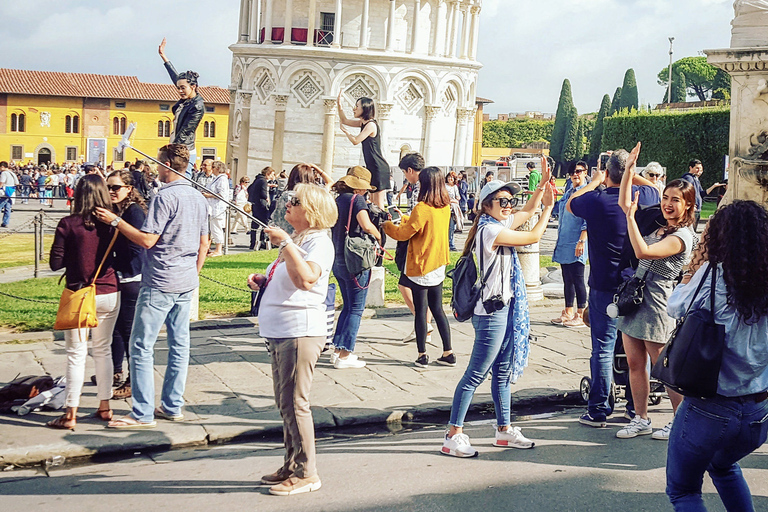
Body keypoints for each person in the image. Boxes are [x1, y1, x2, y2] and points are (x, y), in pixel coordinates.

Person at [94, 143, 209, 429]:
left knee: (141, 346)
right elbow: (204, 243)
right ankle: (172, 406)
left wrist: (116, 220)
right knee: (179, 345)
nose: (156, 167)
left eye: (159, 163)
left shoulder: (164, 197)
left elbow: (147, 240)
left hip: (160, 281)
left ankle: (142, 413)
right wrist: (192, 273)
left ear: (168, 163)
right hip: (185, 280)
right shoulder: (198, 197)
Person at [441, 170, 555, 457]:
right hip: (491, 312)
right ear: (486, 205)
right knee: (475, 374)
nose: (508, 206)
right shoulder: (490, 230)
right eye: (502, 201)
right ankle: (453, 434)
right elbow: (533, 235)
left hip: (503, 308)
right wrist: (550, 209)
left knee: (502, 374)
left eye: (510, 200)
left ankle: (504, 431)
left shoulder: (497, 222)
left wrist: (541, 187)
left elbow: (528, 211)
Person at [664, 200, 768, 511]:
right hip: (758, 409)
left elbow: (674, 307)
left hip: (711, 405)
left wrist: (690, 272)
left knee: (683, 491)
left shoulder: (713, 276)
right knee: (723, 466)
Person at [247, 183, 337, 496]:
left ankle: (307, 473)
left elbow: (307, 279)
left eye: (294, 201)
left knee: (296, 404)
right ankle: (291, 463)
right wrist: (264, 281)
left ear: (310, 211)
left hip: (299, 332)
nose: (287, 203)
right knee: (285, 404)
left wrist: (285, 243)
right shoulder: (301, 239)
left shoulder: (318, 243)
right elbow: (289, 278)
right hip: (282, 330)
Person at [567, 144, 660, 428]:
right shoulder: (643, 194)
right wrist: (632, 170)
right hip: (635, 282)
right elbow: (655, 189)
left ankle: (598, 409)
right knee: (636, 350)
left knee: (603, 347)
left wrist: (597, 179)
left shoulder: (596, 199)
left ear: (607, 172)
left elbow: (571, 202)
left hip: (604, 284)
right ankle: (635, 406)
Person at [615, 144, 695, 440]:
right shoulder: (660, 226)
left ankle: (680, 420)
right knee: (635, 362)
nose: (668, 204)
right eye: (665, 197)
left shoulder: (682, 237)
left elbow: (643, 250)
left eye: (676, 200)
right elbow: (625, 202)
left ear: (688, 205)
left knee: (664, 367)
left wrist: (630, 219)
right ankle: (641, 417)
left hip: (658, 301)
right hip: (636, 297)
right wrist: (628, 170)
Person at [46, 175, 120, 429]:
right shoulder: (112, 225)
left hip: (79, 293)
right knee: (104, 349)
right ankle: (105, 406)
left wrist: (74, 256)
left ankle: (71, 413)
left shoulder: (68, 224)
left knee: (76, 355)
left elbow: (55, 263)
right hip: (109, 291)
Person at [383, 167, 454, 368]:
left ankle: (422, 354)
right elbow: (421, 226)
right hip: (438, 263)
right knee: (438, 309)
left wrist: (387, 226)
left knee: (421, 311)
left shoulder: (422, 207)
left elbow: (404, 234)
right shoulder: (444, 206)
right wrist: (405, 217)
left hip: (421, 264)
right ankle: (448, 352)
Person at [329, 167, 381, 369]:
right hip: (355, 259)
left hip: (338, 257)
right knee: (356, 309)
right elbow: (366, 225)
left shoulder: (338, 199)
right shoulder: (356, 200)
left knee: (348, 306)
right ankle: (345, 355)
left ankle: (337, 349)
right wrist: (378, 235)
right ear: (360, 187)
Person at [106, 170, 147, 400]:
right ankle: (115, 371)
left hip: (132, 276)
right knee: (117, 329)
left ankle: (133, 381)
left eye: (116, 187)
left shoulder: (133, 211)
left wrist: (115, 264)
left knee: (130, 331)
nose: (111, 191)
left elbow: (137, 247)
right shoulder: (119, 209)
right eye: (108, 187)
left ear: (129, 189)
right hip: (122, 275)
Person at [393, 153, 433, 343]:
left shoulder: (419, 187)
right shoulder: (430, 184)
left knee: (405, 285)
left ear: (410, 170)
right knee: (424, 289)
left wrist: (402, 220)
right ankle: (426, 327)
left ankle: (423, 323)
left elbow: (417, 218)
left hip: (415, 241)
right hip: (428, 240)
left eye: (404, 172)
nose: (405, 177)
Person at [158, 38, 204, 179]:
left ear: (193, 87)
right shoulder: (186, 99)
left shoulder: (197, 106)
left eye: (183, 88)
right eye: (178, 88)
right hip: (176, 145)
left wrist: (170, 149)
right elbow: (176, 77)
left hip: (185, 150)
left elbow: (185, 131)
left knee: (184, 178)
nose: (180, 91)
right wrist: (164, 57)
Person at [551, 161, 589, 328]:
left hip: (577, 240)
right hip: (565, 240)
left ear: (585, 172)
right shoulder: (569, 191)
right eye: (573, 172)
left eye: (579, 171)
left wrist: (582, 240)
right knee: (567, 278)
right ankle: (568, 310)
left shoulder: (586, 193)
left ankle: (581, 313)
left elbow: (588, 220)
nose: (576, 174)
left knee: (578, 278)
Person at [337, 90, 389, 209]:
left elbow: (356, 141)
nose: (354, 109)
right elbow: (345, 120)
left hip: (378, 167)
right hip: (372, 166)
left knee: (378, 204)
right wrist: (339, 106)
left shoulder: (371, 125)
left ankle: (380, 226)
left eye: (357, 106)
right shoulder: (363, 123)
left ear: (365, 109)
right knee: (372, 201)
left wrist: (346, 132)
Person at [271, 163, 331, 235]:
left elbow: (277, 219)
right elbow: (330, 182)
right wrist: (316, 168)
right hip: (311, 236)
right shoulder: (318, 195)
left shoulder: (287, 195)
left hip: (291, 238)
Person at [203, 160, 230, 257]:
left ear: (218, 168)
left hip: (217, 208)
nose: (212, 169)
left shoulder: (222, 179)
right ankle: (216, 248)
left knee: (216, 228)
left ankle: (219, 249)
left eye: (213, 167)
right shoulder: (217, 178)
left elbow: (221, 194)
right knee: (214, 228)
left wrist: (208, 195)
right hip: (213, 207)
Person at [248, 166, 275, 250]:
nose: (272, 177)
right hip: (261, 204)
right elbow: (263, 193)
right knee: (265, 223)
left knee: (254, 224)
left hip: (255, 204)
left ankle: (252, 243)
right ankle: (262, 241)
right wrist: (266, 198)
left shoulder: (257, 179)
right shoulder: (263, 181)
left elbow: (249, 188)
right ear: (268, 174)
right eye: (272, 175)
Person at [680, 159, 705, 233]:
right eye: (697, 168)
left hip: (697, 208)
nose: (699, 170)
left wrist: (714, 186)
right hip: (692, 209)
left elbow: (702, 193)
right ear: (690, 168)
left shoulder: (695, 178)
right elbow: (685, 192)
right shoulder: (688, 178)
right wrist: (690, 204)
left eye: (700, 169)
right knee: (690, 232)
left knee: (692, 231)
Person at [445, 171, 462, 252]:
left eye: (452, 177)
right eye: (449, 177)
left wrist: (453, 200)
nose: (450, 179)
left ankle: (451, 244)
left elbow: (458, 198)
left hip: (453, 210)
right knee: (445, 227)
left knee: (452, 228)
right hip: (445, 208)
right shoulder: (444, 186)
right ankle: (445, 244)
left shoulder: (455, 187)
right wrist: (451, 200)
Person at [0, 161, 15, 227]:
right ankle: (5, 222)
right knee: (8, 208)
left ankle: (5, 222)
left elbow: (2, 182)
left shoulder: (4, 173)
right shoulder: (11, 173)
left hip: (5, 192)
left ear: (2, 167)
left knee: (0, 205)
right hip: (11, 191)